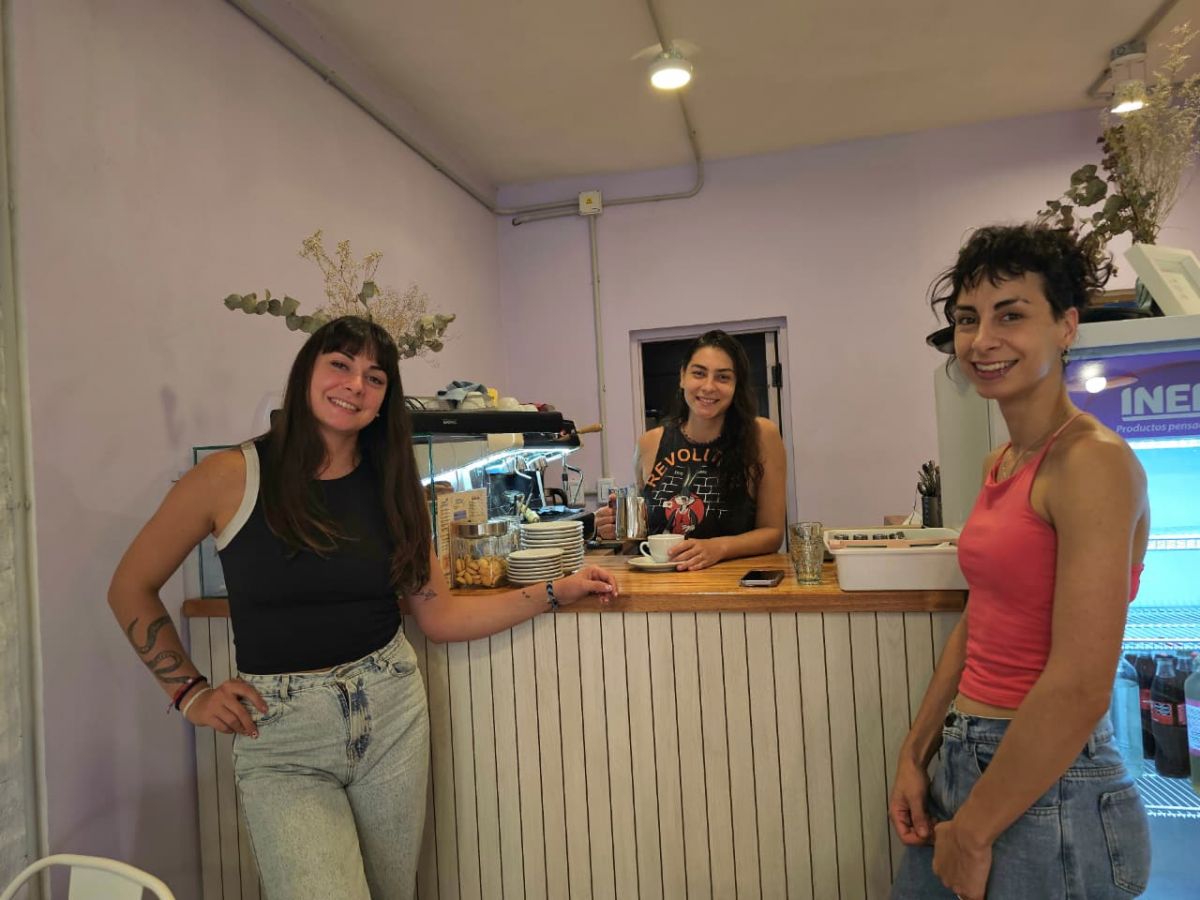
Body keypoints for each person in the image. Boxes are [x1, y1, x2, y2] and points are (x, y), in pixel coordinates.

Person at [107, 316, 618, 900]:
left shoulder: (394, 484)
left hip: (391, 711)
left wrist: (555, 590)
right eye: (340, 365)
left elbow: (440, 617)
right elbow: (130, 586)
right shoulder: (230, 476)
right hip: (283, 735)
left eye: (374, 377)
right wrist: (190, 693)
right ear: (307, 374)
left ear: (384, 400)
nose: (355, 384)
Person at [889, 225, 1151, 900]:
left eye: (1012, 315)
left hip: (1050, 780)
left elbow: (1080, 685)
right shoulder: (1001, 461)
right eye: (968, 321)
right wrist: (916, 752)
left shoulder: (1092, 462)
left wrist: (974, 832)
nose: (982, 340)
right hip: (968, 758)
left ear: (1066, 326)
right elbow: (983, 618)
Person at [594, 329, 786, 570]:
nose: (708, 386)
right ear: (682, 376)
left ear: (736, 385)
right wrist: (616, 530)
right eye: (699, 373)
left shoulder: (762, 435)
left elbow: (773, 533)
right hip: (663, 593)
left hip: (734, 589)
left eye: (723, 377)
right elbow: (641, 539)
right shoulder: (649, 443)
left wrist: (718, 548)